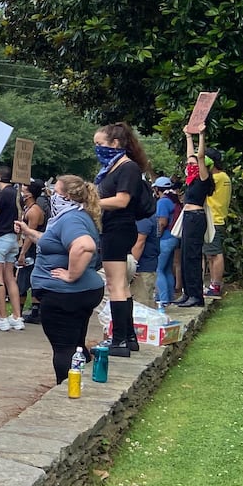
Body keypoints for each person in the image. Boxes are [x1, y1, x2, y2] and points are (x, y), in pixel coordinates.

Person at [16, 175, 105, 383]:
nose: (52, 196)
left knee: (64, 348)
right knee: (77, 345)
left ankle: (68, 390)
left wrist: (71, 274)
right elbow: (55, 242)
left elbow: (84, 245)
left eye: (55, 192)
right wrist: (29, 232)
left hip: (65, 295)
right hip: (80, 292)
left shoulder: (71, 218)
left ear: (66, 196)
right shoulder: (77, 215)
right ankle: (84, 385)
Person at [92, 122, 152, 357]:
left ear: (115, 143)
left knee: (115, 284)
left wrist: (91, 203)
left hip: (119, 227)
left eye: (100, 144)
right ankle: (128, 337)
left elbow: (121, 200)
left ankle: (118, 341)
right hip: (114, 227)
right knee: (122, 286)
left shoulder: (127, 168)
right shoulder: (114, 166)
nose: (97, 149)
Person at [176, 130, 213, 308]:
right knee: (184, 256)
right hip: (188, 216)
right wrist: (188, 137)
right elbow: (191, 155)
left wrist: (201, 135)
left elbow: (199, 156)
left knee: (192, 256)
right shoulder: (191, 180)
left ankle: (196, 296)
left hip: (196, 218)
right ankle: (188, 292)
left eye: (193, 163)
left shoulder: (204, 179)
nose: (190, 164)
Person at [0, 165, 23, 331]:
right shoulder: (17, 193)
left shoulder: (2, 194)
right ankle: (17, 315)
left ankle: (2, 317)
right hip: (12, 238)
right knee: (10, 277)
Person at [15, 179, 47, 323]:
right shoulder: (27, 209)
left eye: (24, 189)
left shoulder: (34, 211)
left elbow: (30, 234)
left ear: (29, 194)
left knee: (23, 279)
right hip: (25, 247)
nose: (22, 191)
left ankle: (22, 313)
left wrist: (23, 253)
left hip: (31, 250)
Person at [203, 149, 231, 297]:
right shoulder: (224, 176)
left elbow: (201, 180)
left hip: (213, 218)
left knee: (215, 254)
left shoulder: (217, 178)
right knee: (211, 254)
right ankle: (213, 283)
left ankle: (216, 285)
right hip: (217, 218)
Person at [153, 177, 182, 305]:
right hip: (174, 238)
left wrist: (155, 237)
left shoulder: (162, 202)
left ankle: (163, 299)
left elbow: (162, 222)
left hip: (165, 239)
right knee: (167, 269)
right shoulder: (174, 200)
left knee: (158, 269)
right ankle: (169, 297)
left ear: (157, 189)